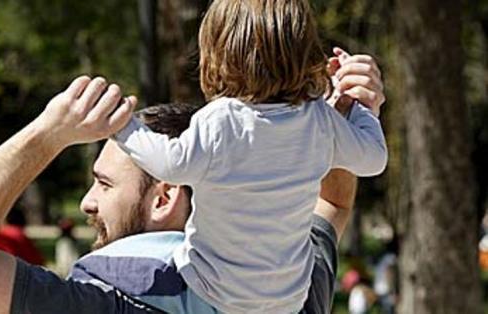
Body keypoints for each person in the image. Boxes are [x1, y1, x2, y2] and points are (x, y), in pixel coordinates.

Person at [0, 49, 386, 313]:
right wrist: (346, 115)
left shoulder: (110, 302)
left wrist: (45, 135)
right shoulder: (296, 286)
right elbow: (333, 206)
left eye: (105, 184)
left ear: (165, 195)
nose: (87, 203)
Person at [113, 1, 387, 312]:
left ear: (216, 52)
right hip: (288, 299)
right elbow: (373, 158)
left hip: (211, 292)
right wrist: (361, 110)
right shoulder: (318, 120)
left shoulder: (221, 118)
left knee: (113, 269)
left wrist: (123, 124)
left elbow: (171, 164)